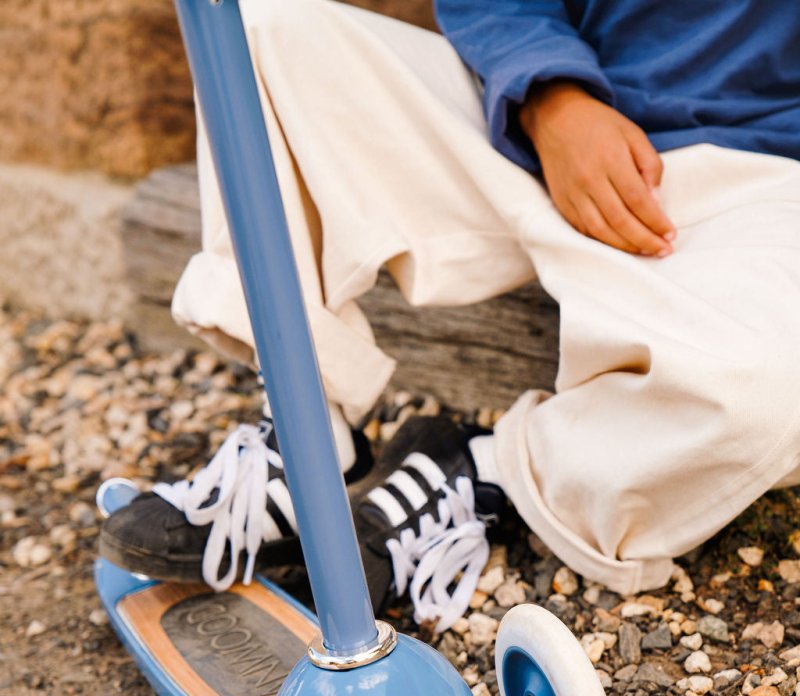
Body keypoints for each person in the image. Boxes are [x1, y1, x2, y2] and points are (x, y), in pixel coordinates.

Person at [101, 0, 800, 632]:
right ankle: (306, 433)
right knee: (254, 34)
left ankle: (487, 470)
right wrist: (548, 94)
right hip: (543, 118)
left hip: (763, 181)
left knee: (771, 393)